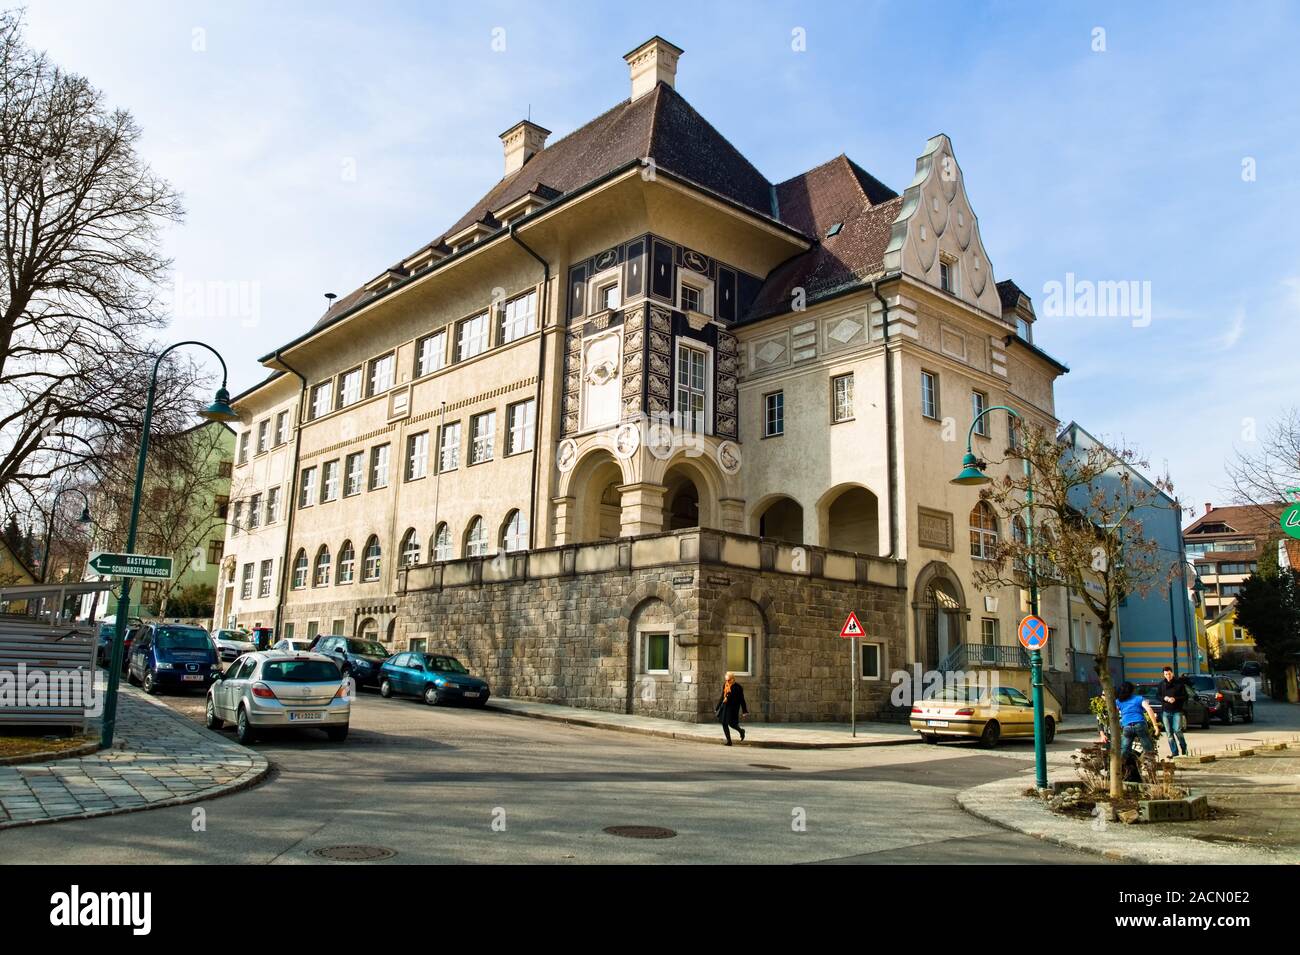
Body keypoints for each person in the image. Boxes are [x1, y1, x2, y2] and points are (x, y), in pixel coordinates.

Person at [1115, 681, 1158, 765]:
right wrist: (1155, 725)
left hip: (1127, 726)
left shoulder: (1118, 701)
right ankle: (1151, 768)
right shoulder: (1139, 698)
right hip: (1140, 724)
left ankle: (1121, 768)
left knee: (1125, 749)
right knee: (1148, 749)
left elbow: (1115, 715)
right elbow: (1149, 709)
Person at [1158, 665, 1189, 757]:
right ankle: (1174, 752)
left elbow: (1185, 696)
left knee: (1177, 730)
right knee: (1169, 733)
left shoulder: (1179, 684)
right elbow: (1158, 696)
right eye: (1166, 674)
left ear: (1172, 673)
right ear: (1163, 675)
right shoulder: (1161, 684)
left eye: (1169, 674)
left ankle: (1184, 749)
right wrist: (1165, 698)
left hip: (1177, 711)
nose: (1168, 676)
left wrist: (1175, 698)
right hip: (1166, 712)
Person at [716, 671, 748, 745]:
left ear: (733, 679)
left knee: (732, 724)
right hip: (725, 706)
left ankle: (741, 731)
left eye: (729, 680)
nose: (727, 681)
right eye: (726, 680)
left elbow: (741, 699)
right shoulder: (725, 685)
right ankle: (729, 741)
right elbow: (722, 696)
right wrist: (717, 707)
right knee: (724, 723)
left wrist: (744, 710)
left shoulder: (738, 687)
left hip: (733, 708)